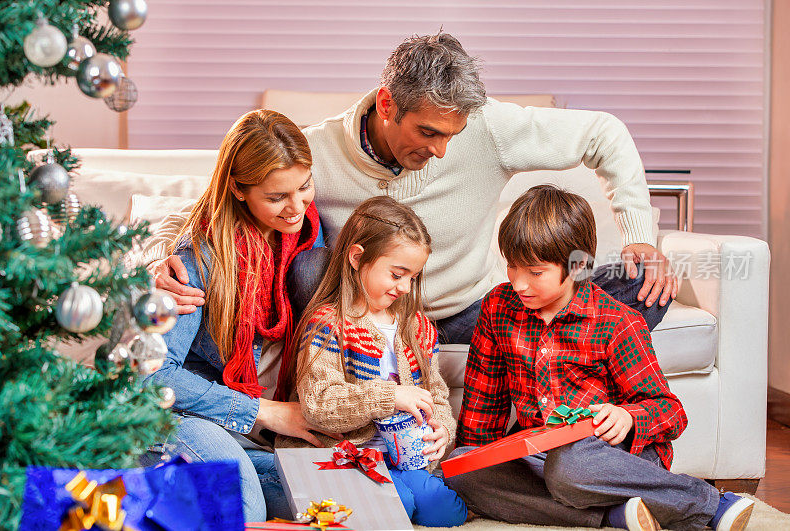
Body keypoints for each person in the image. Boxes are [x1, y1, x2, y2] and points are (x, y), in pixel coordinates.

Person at [143, 32, 677, 343]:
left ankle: (561, 362)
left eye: (453, 136)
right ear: (387, 105)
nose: (441, 150)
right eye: (427, 133)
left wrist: (639, 234)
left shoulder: (490, 127)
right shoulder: (315, 154)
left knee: (641, 286)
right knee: (309, 267)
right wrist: (162, 251)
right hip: (372, 322)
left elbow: (604, 132)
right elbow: (215, 199)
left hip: (475, 311)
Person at [444, 185, 754, 531]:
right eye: (512, 267)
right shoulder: (499, 306)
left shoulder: (617, 321)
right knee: (462, 468)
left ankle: (709, 504)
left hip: (611, 458)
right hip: (540, 454)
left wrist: (627, 416)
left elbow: (671, 413)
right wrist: (472, 460)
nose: (518, 283)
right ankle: (615, 516)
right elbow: (483, 398)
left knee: (570, 468)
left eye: (534, 273)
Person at [144, 109, 337, 522]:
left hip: (252, 437)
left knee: (336, 506)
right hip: (183, 419)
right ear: (237, 188)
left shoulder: (312, 241)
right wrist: (267, 413)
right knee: (243, 508)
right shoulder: (195, 262)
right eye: (275, 197)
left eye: (304, 187)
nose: (295, 208)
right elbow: (151, 376)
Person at [277, 196, 467, 527]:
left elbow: (436, 395)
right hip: (344, 456)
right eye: (397, 274)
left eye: (413, 277)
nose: (405, 287)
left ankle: (400, 491)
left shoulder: (415, 327)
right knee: (399, 507)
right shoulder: (328, 323)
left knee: (446, 512)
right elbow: (318, 403)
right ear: (357, 257)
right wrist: (388, 396)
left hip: (403, 459)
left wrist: (442, 429)